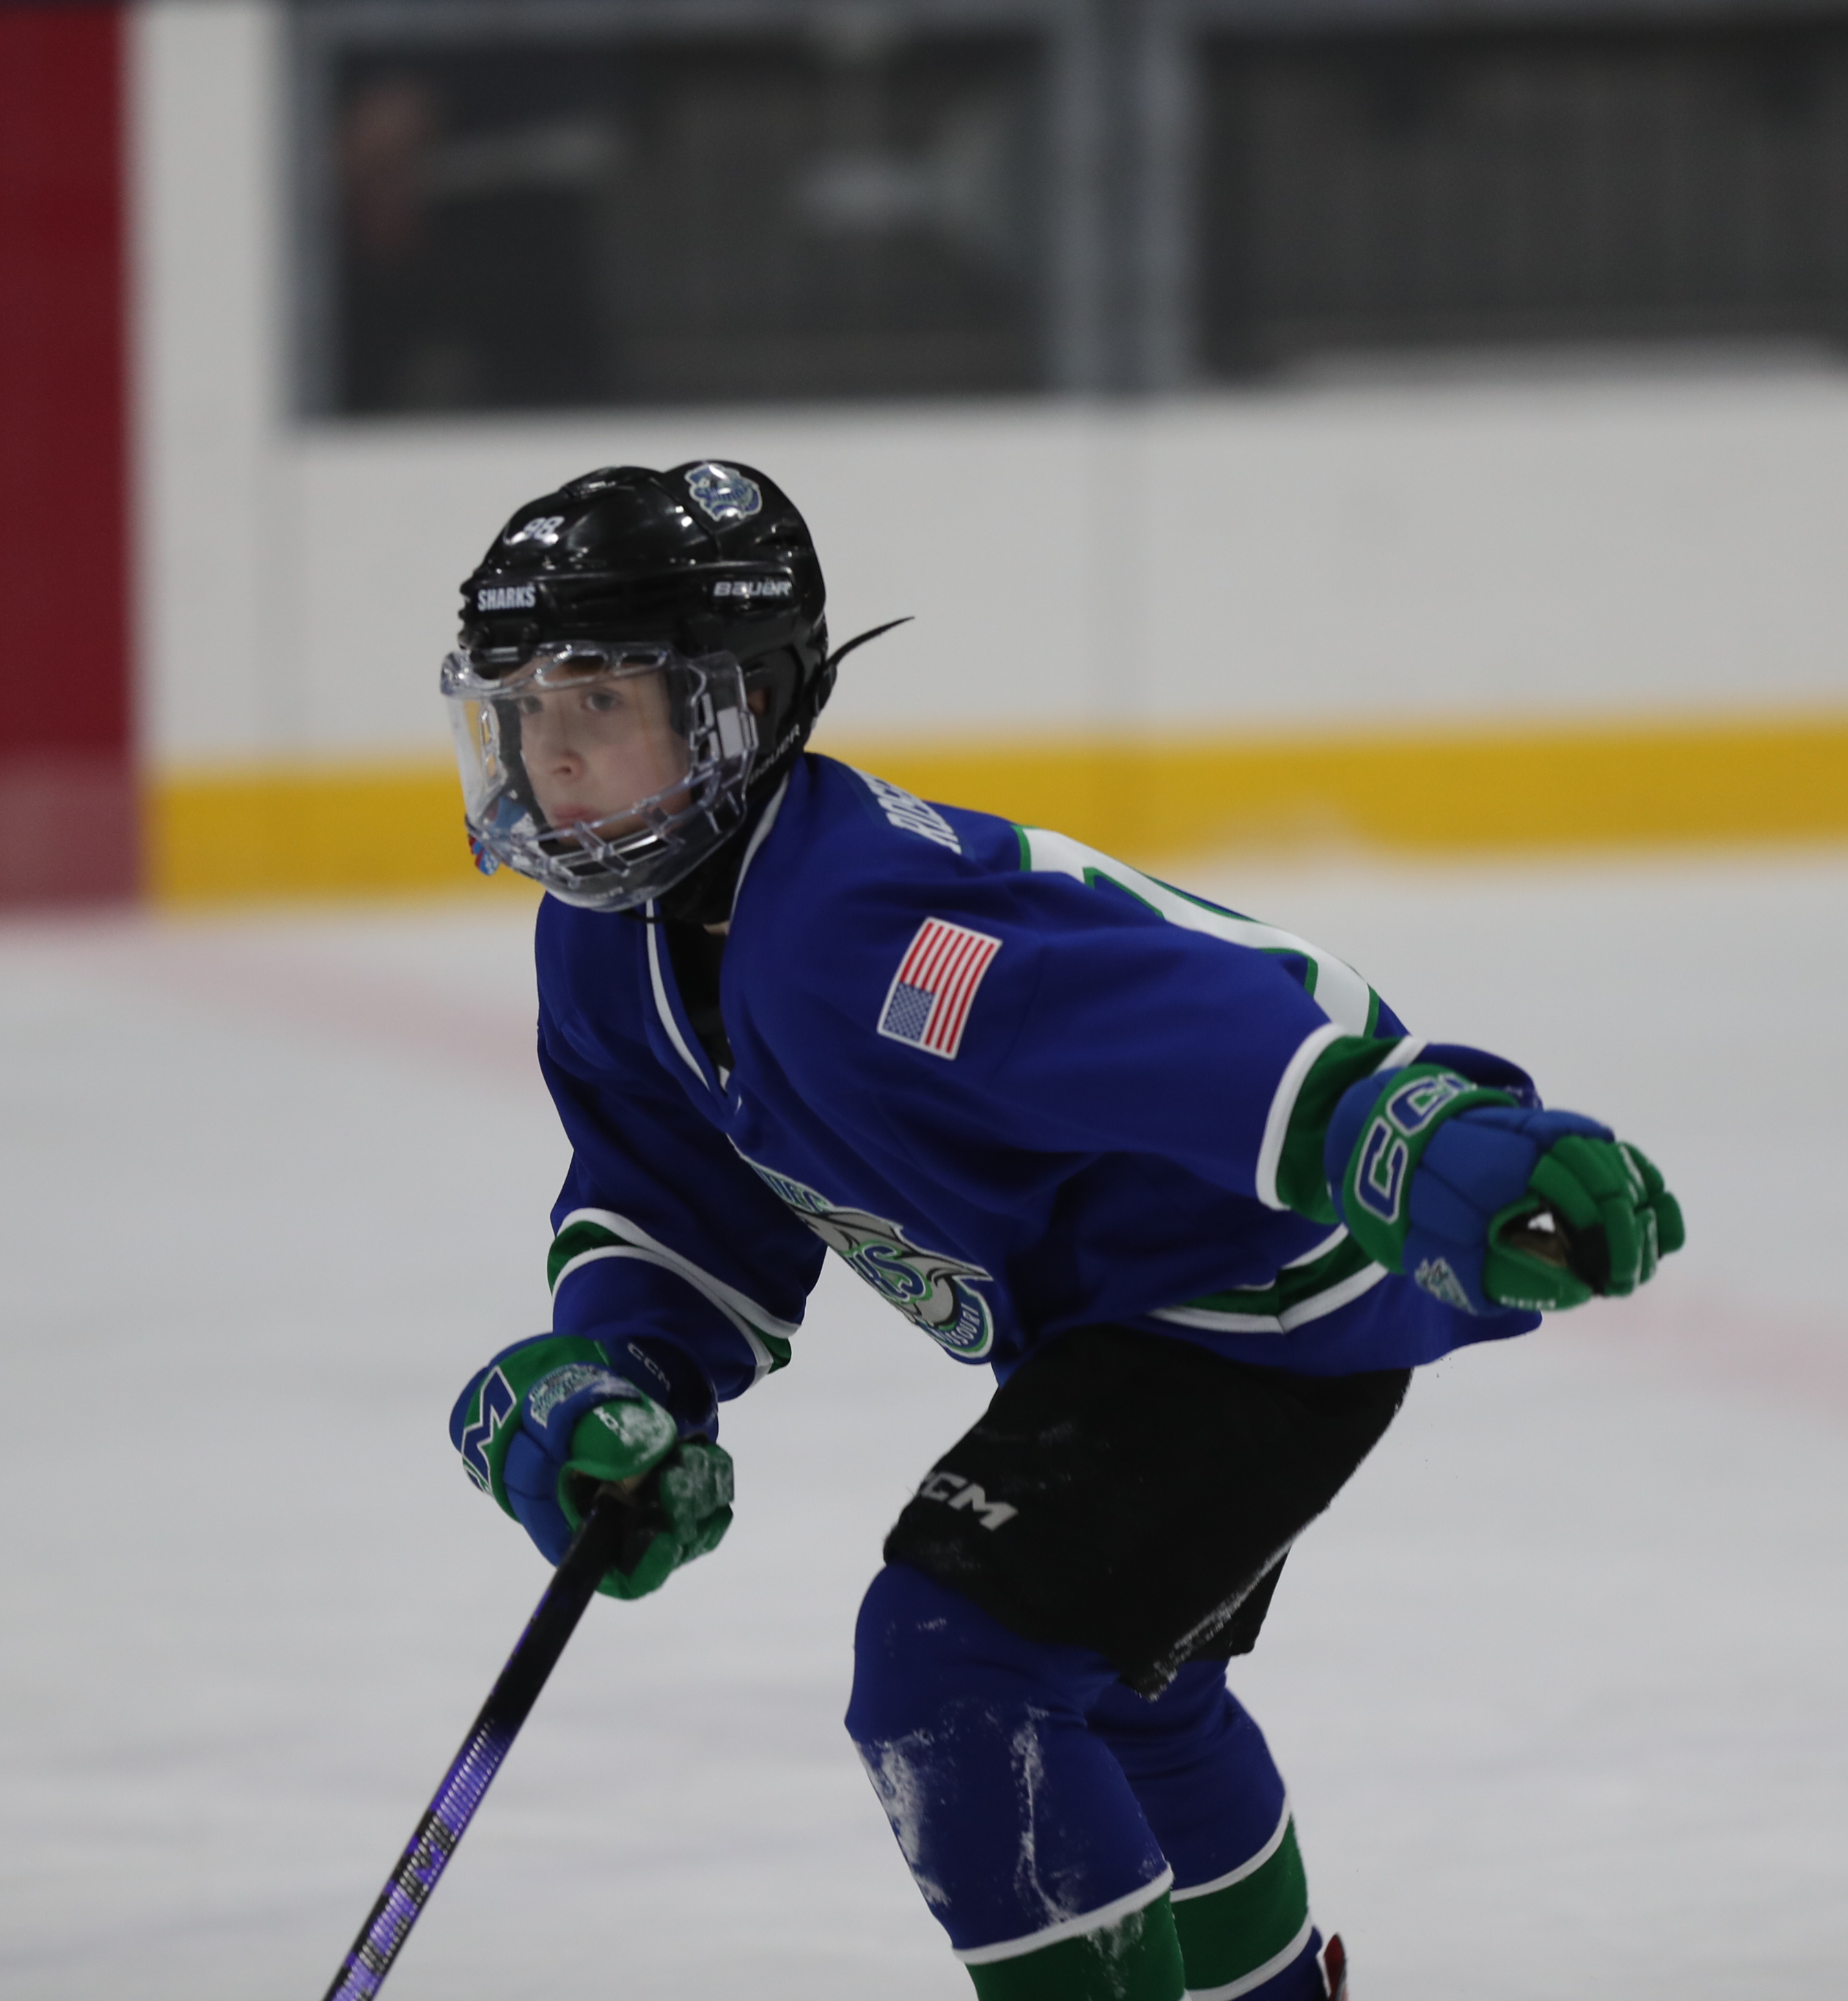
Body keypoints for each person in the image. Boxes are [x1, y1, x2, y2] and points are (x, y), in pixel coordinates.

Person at [441, 461, 1684, 2000]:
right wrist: (626, 1371)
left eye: (600, 702)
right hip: (1117, 1317)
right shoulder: (601, 946)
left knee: (953, 1671)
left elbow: (1154, 1013)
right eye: (525, 710)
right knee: (1125, 1693)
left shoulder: (858, 926)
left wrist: (1386, 1124)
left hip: (1253, 1288)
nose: (553, 754)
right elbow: (672, 1200)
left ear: (740, 707)